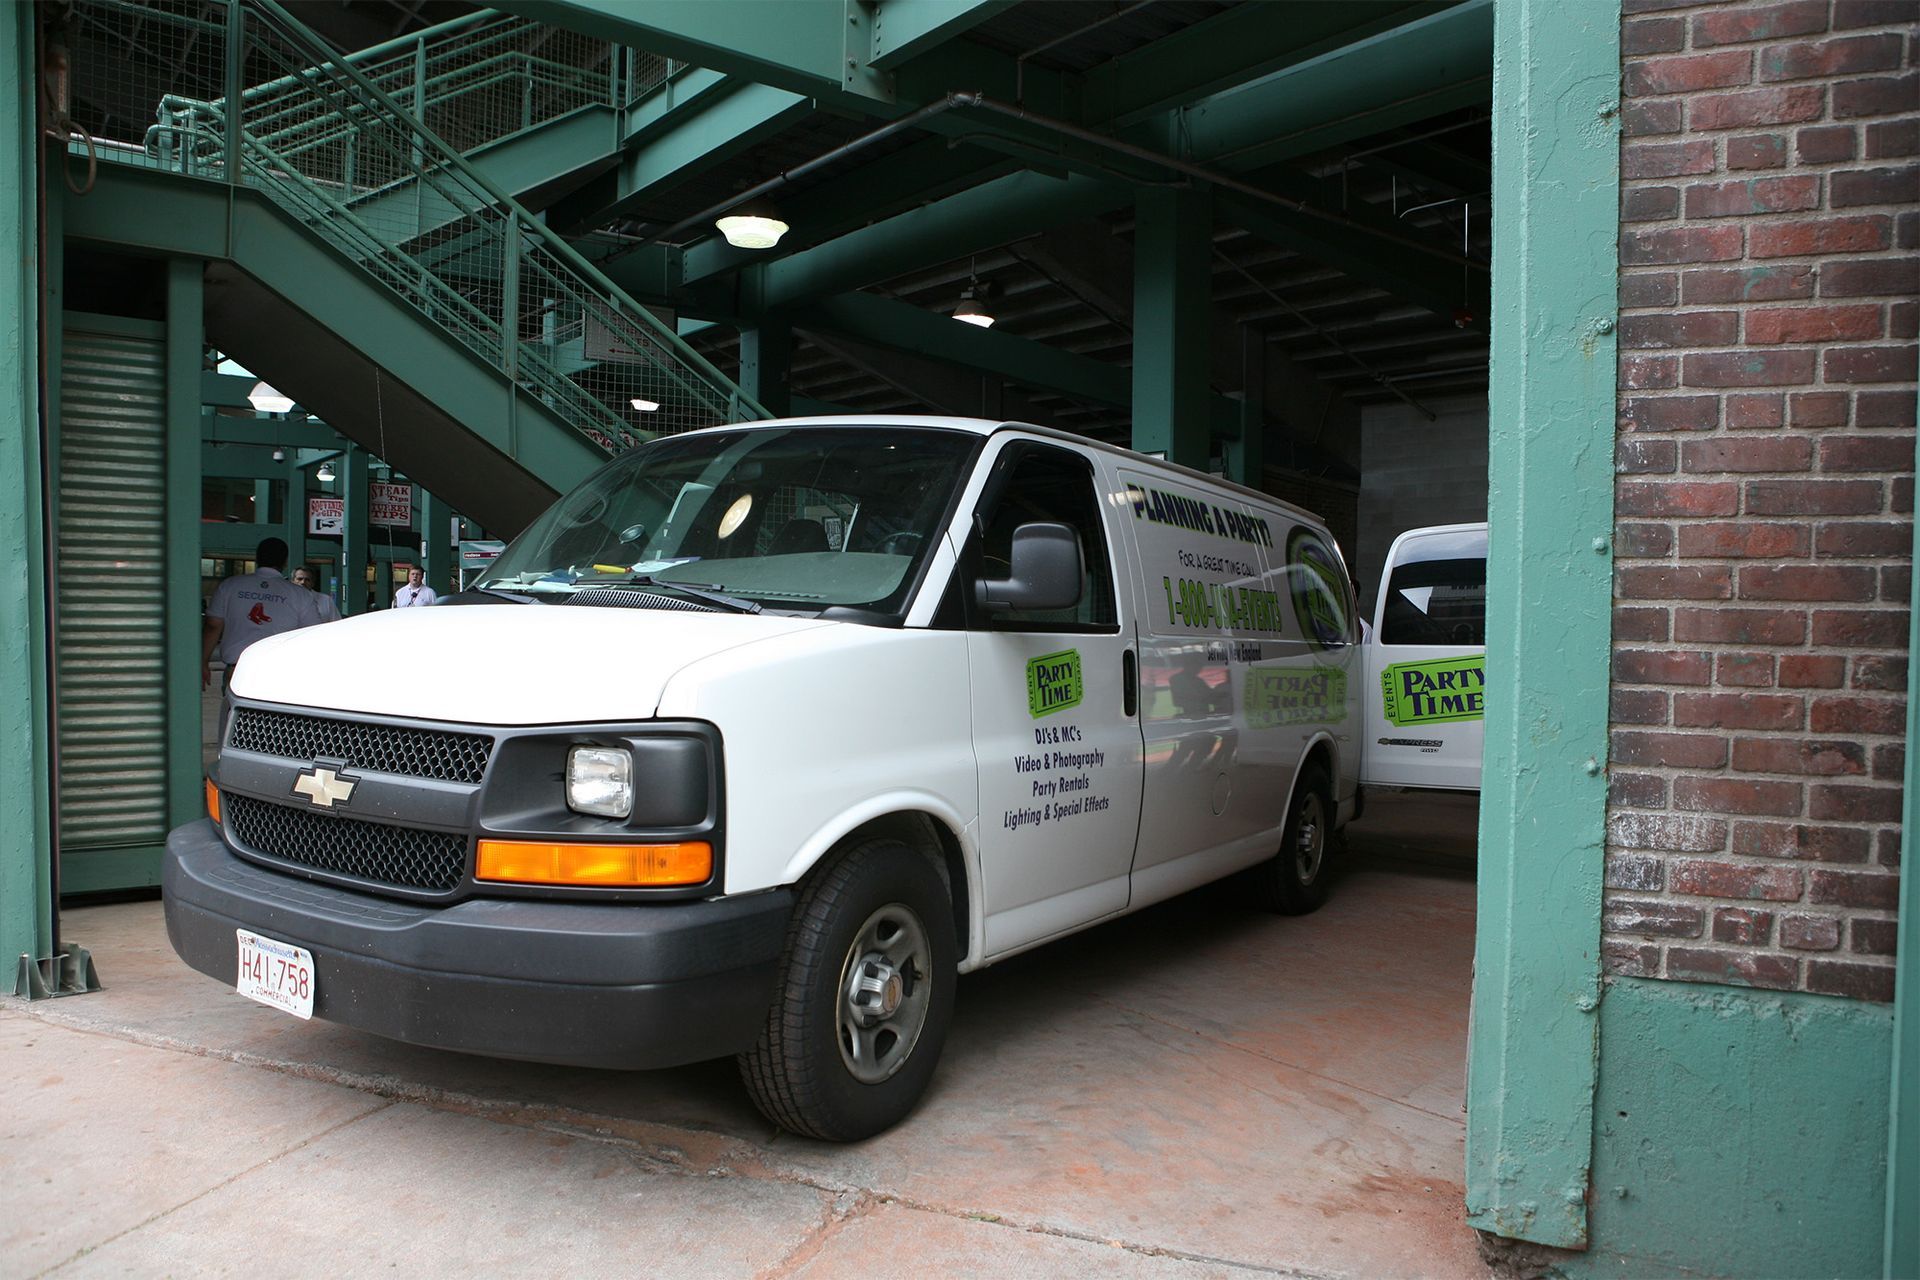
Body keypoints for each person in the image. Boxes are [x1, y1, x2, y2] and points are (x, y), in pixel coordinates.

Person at [203, 537, 322, 688]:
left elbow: (213, 626)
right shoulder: (300, 595)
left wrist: (203, 661)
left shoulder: (230, 586)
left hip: (237, 671)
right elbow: (312, 633)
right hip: (280, 673)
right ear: (285, 561)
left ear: (257, 558)